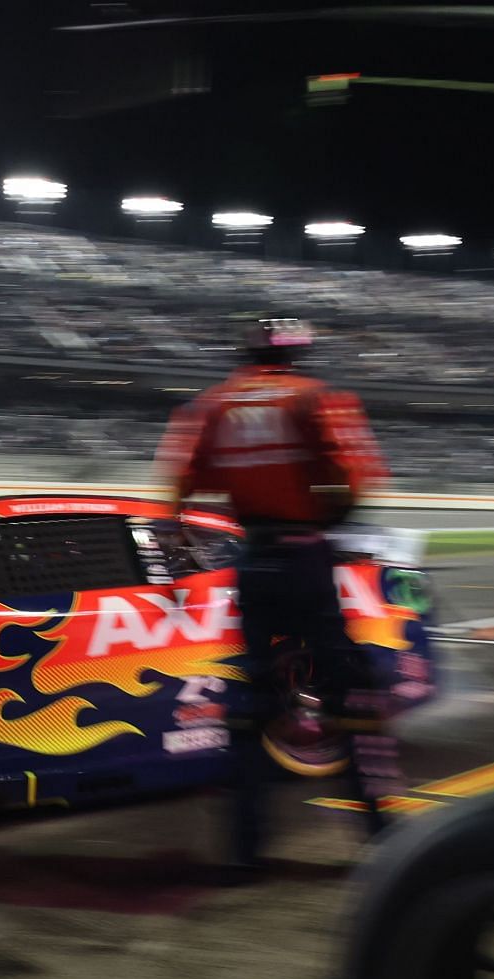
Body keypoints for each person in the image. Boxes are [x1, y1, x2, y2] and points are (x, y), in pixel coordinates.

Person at [159, 317, 393, 877]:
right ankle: (380, 836)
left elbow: (177, 491)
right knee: (350, 690)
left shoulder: (212, 405)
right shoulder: (317, 397)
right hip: (305, 557)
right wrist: (330, 520)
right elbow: (358, 478)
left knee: (255, 701)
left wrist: (184, 556)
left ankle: (244, 851)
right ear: (299, 353)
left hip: (253, 562)